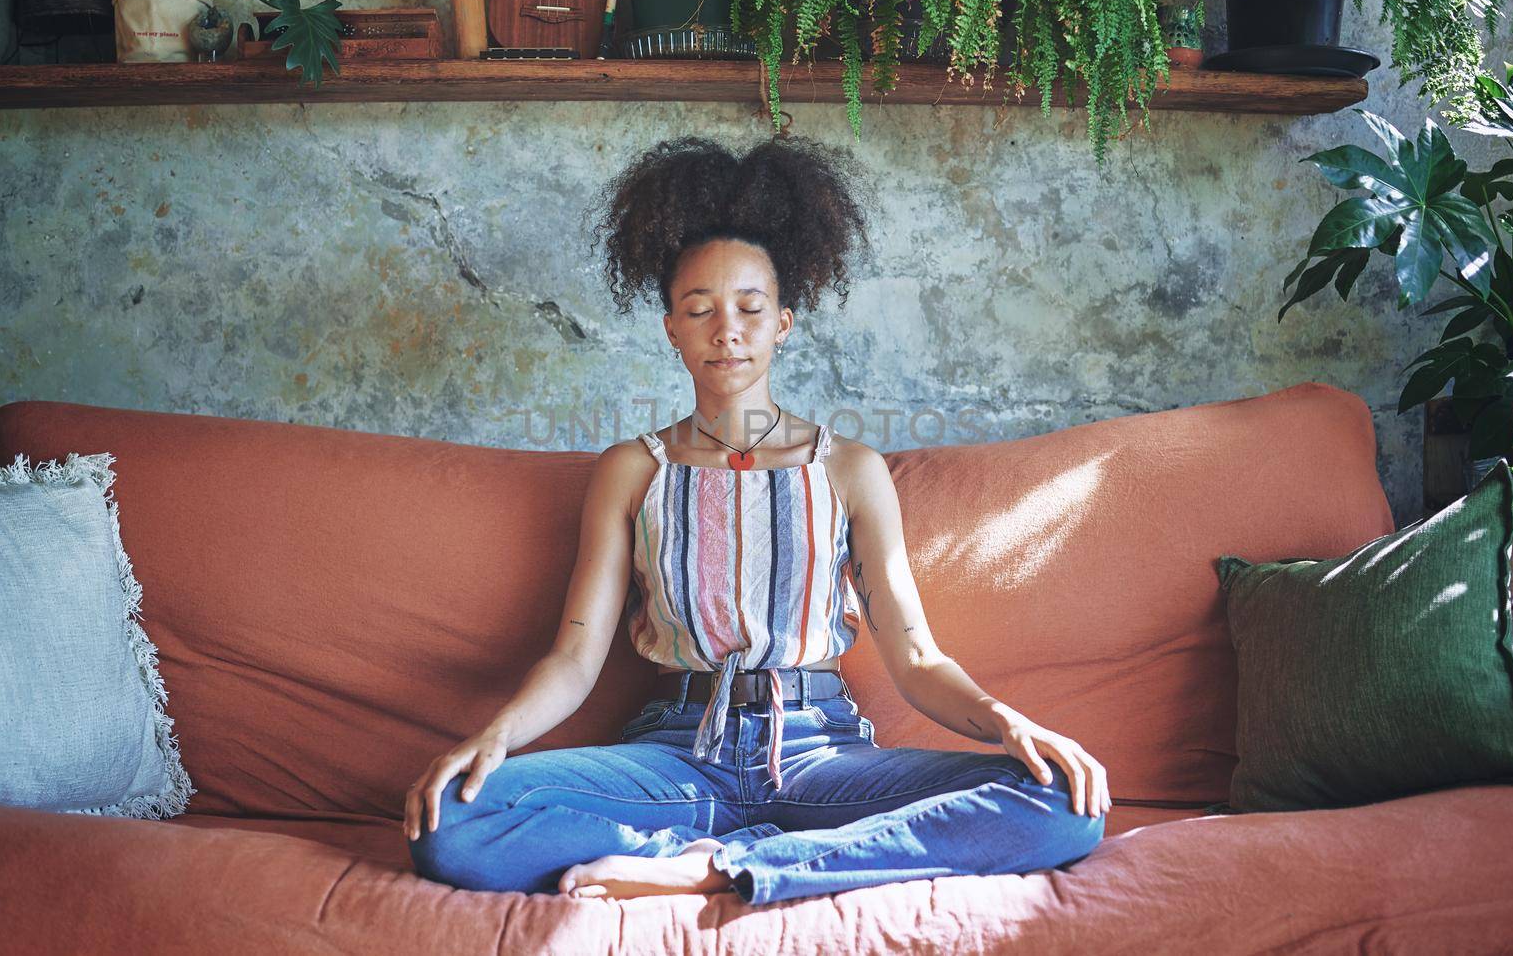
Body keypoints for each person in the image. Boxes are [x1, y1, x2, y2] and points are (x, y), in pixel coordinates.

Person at [405, 136, 1109, 904]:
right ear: (671, 327)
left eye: (749, 308)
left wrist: (1008, 723)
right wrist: (496, 736)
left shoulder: (852, 471)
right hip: (675, 758)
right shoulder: (630, 471)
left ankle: (719, 869)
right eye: (699, 309)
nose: (726, 330)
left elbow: (915, 660)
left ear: (784, 323)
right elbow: (574, 658)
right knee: (449, 822)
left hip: (820, 757)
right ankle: (729, 847)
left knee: (1064, 806)